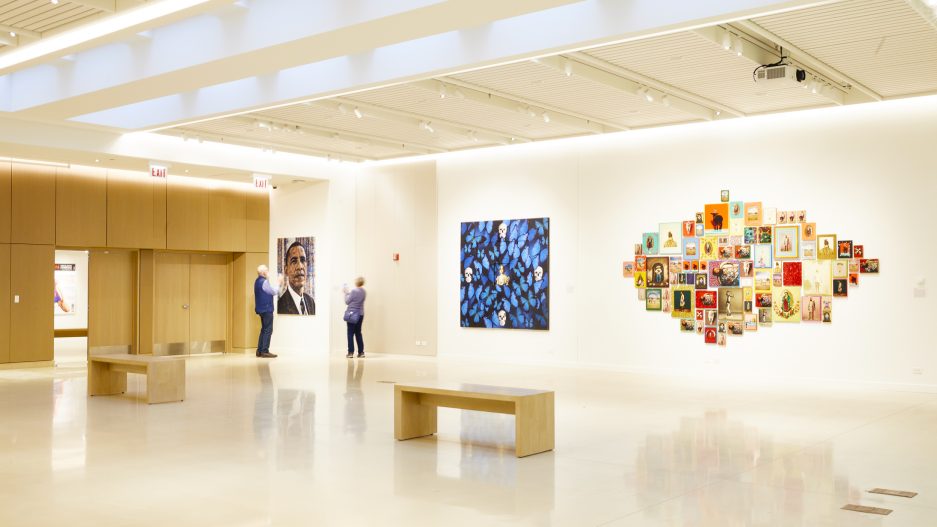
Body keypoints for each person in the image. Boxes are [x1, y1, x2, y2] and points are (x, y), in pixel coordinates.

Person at [277, 241, 315, 315]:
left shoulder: (311, 302)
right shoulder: (280, 306)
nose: (300, 267)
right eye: (294, 261)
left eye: (303, 260)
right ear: (286, 270)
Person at [254, 265, 281, 358]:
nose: (268, 272)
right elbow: (273, 292)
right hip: (266, 309)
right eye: (267, 270)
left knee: (264, 329)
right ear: (263, 272)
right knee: (268, 329)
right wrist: (279, 283)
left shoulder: (257, 281)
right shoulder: (264, 282)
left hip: (261, 309)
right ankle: (264, 351)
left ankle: (259, 350)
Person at [343, 277, 367, 358]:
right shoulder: (364, 291)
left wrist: (346, 293)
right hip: (360, 314)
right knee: (358, 333)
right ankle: (361, 352)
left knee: (350, 333)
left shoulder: (354, 291)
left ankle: (350, 353)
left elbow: (347, 301)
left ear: (356, 282)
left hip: (352, 314)